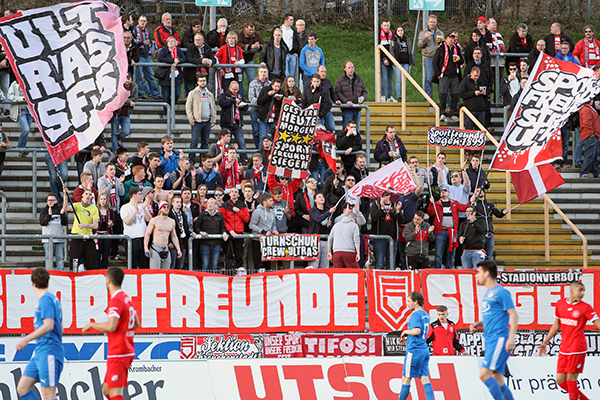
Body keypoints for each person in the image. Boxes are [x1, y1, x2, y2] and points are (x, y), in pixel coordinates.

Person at [82, 267, 140, 400]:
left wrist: (92, 325)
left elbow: (111, 326)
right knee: (106, 389)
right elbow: (136, 323)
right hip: (125, 349)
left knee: (115, 393)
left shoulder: (116, 300)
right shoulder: (126, 298)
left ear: (108, 280)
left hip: (119, 351)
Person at [539, 281, 600, 400]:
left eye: (583, 291)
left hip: (577, 347)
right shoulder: (560, 304)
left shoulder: (585, 307)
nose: (582, 293)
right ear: (572, 290)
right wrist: (545, 342)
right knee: (560, 381)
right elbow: (556, 325)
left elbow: (597, 323)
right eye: (580, 290)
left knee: (571, 380)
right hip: (564, 349)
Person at [470, 261, 518, 400]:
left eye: (478, 272)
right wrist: (478, 323)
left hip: (499, 339)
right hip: (491, 340)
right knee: (498, 380)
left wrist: (511, 338)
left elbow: (513, 314)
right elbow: (493, 316)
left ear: (486, 273)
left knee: (484, 375)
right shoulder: (488, 293)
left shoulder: (500, 292)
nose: (477, 275)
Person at [15, 268, 64, 400]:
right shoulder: (53, 299)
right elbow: (61, 327)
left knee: (49, 395)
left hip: (49, 351)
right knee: (22, 388)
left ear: (32, 283)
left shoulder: (45, 300)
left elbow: (49, 325)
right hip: (41, 352)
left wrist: (26, 339)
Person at [397, 292, 435, 400]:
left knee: (406, 378)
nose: (407, 304)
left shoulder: (415, 315)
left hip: (414, 351)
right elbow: (421, 332)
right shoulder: (425, 314)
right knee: (424, 378)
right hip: (424, 349)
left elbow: (417, 331)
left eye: (409, 301)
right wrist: (408, 338)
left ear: (416, 301)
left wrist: (405, 332)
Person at [427, 186, 468, 269]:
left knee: (451, 253)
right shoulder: (436, 204)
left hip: (452, 231)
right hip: (440, 231)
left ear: (449, 194)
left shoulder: (455, 203)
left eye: (445, 190)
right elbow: (430, 213)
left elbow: (464, 208)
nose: (443, 191)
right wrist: (431, 203)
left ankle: (449, 270)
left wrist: (471, 200)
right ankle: (437, 270)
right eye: (441, 190)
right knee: (438, 253)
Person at [434, 33, 464, 122]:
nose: (451, 40)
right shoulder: (441, 48)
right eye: (449, 38)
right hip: (444, 75)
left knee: (455, 94)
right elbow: (435, 61)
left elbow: (462, 61)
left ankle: (453, 113)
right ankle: (442, 113)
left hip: (454, 75)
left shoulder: (456, 48)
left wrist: (458, 59)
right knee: (443, 94)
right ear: (446, 39)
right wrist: (438, 73)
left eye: (453, 38)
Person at [370, 193, 404, 269]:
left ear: (389, 196)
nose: (384, 197)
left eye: (386, 195)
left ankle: (390, 279)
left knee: (391, 265)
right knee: (379, 264)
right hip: (379, 238)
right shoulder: (375, 205)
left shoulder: (395, 205)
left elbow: (401, 220)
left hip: (392, 238)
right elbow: (373, 218)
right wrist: (381, 209)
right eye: (382, 195)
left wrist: (398, 211)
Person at [156, 36, 186, 124]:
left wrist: (178, 61)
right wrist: (172, 60)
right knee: (165, 95)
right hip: (166, 76)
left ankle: (172, 107)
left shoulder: (179, 50)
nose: (171, 43)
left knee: (177, 94)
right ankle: (167, 113)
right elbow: (160, 59)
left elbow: (184, 58)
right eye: (170, 41)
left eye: (173, 41)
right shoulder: (164, 50)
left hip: (176, 76)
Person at [68, 188, 99, 271]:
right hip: (77, 236)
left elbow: (95, 225)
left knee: (90, 262)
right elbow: (65, 208)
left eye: (90, 194)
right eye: (86, 194)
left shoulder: (94, 209)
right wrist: (65, 195)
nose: (88, 196)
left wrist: (85, 225)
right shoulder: (77, 205)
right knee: (74, 261)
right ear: (82, 195)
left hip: (88, 237)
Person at [473, 188, 508, 260]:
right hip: (480, 234)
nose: (480, 192)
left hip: (490, 233)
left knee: (489, 256)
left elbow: (498, 214)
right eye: (477, 191)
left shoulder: (490, 204)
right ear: (475, 195)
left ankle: (488, 270)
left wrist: (503, 212)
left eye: (481, 190)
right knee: (480, 255)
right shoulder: (474, 205)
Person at [194, 198, 228, 273]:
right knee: (205, 264)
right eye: (208, 203)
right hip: (205, 243)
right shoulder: (202, 215)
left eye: (212, 203)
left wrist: (224, 233)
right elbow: (196, 227)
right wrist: (201, 232)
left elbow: (222, 227)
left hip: (216, 243)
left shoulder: (219, 215)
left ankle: (214, 281)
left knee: (215, 265)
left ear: (215, 205)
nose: (210, 204)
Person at [220, 187, 250, 270]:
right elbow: (223, 220)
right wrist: (230, 230)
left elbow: (247, 219)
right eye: (232, 192)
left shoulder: (242, 205)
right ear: (229, 194)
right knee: (228, 254)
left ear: (238, 194)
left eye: (235, 192)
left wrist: (239, 211)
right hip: (228, 233)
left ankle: (238, 271)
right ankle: (229, 271)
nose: (233, 193)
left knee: (239, 254)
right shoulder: (224, 205)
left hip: (239, 233)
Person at [121, 187, 151, 269]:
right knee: (132, 264)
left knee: (144, 265)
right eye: (140, 194)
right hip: (131, 239)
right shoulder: (125, 207)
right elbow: (127, 221)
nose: (142, 196)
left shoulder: (142, 206)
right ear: (134, 195)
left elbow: (149, 220)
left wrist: (144, 208)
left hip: (143, 239)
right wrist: (135, 211)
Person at [144, 201, 181, 269]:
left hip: (166, 248)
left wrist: (178, 249)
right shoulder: (154, 220)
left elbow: (174, 236)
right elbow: (147, 234)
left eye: (167, 207)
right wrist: (146, 248)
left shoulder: (172, 221)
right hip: (156, 248)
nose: (166, 208)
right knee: (155, 272)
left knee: (166, 272)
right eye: (164, 207)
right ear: (160, 209)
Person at [219, 81, 248, 163]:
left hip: (237, 123)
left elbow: (246, 107)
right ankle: (226, 158)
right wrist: (233, 101)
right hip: (227, 123)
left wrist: (243, 105)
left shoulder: (240, 95)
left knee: (241, 142)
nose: (236, 91)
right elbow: (221, 103)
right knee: (227, 142)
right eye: (234, 89)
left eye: (237, 89)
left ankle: (244, 158)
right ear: (230, 88)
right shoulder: (225, 95)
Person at [133, 15, 160, 101]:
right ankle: (140, 94)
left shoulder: (148, 30)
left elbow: (150, 42)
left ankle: (155, 94)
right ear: (138, 21)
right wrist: (142, 42)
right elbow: (133, 42)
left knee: (150, 76)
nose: (142, 22)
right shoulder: (135, 30)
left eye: (144, 21)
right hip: (139, 55)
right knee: (139, 77)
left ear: (146, 22)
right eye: (141, 21)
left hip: (147, 55)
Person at [249, 192, 278, 271]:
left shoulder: (272, 212)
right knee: (258, 262)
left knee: (267, 263)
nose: (273, 202)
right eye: (270, 201)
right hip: (257, 240)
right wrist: (263, 231)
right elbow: (251, 225)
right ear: (264, 202)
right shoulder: (257, 212)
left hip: (268, 241)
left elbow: (274, 224)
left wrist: (274, 230)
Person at [335, 61, 368, 130]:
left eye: (352, 67)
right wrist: (346, 101)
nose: (351, 69)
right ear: (345, 69)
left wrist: (363, 97)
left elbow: (364, 91)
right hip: (347, 109)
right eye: (349, 68)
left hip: (357, 108)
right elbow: (338, 93)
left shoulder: (359, 79)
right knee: (347, 130)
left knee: (356, 131)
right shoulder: (339, 80)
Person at [417, 15, 444, 99]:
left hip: (439, 59)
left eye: (434, 22)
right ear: (428, 22)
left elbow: (444, 46)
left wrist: (443, 41)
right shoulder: (423, 32)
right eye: (431, 22)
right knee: (428, 79)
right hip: (428, 58)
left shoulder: (440, 33)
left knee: (440, 79)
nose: (432, 24)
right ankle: (428, 99)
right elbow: (420, 45)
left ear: (436, 23)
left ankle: (442, 100)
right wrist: (425, 37)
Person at [40, 191, 68, 270]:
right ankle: (49, 274)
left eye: (52, 200)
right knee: (48, 259)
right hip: (48, 240)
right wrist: (49, 215)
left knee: (60, 259)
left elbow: (65, 223)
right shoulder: (44, 211)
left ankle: (61, 274)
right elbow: (42, 223)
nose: (50, 202)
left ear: (56, 201)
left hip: (59, 239)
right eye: (49, 200)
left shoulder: (60, 210)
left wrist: (62, 214)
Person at [109, 73, 137, 151]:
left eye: (129, 79)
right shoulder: (119, 85)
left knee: (126, 131)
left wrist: (126, 101)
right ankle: (116, 150)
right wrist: (128, 101)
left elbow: (135, 98)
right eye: (125, 78)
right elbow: (118, 98)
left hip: (126, 113)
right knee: (114, 132)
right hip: (117, 113)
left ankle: (118, 138)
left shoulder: (134, 86)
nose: (127, 80)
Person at [237, 22, 264, 98]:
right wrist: (249, 47)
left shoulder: (257, 35)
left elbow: (263, 44)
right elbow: (238, 44)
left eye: (253, 30)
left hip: (249, 60)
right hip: (240, 60)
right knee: (240, 79)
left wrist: (259, 47)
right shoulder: (240, 35)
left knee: (252, 79)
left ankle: (251, 97)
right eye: (250, 30)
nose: (251, 32)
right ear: (246, 28)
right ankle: (241, 96)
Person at [8, 80, 33, 156]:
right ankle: (19, 147)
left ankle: (22, 149)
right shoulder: (15, 84)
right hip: (20, 110)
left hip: (29, 110)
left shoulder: (29, 81)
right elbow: (10, 96)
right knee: (26, 129)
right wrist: (21, 98)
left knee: (27, 131)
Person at [248, 65, 271, 148]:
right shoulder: (253, 83)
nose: (263, 74)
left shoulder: (270, 84)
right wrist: (261, 102)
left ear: (267, 73)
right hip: (255, 109)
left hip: (265, 111)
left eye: (265, 72)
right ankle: (258, 147)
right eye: (261, 72)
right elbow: (251, 98)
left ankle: (262, 148)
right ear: (258, 73)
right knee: (256, 131)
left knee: (264, 132)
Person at [390, 26, 414, 102]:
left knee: (404, 80)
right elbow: (391, 50)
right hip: (398, 62)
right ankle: (399, 96)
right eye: (398, 31)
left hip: (406, 62)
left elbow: (409, 51)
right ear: (396, 32)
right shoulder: (394, 40)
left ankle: (403, 96)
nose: (400, 32)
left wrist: (411, 61)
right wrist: (394, 60)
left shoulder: (407, 40)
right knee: (398, 79)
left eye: (401, 30)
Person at [459, 66, 487, 131]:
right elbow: (461, 94)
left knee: (480, 131)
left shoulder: (481, 82)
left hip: (480, 110)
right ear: (471, 73)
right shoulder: (465, 82)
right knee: (469, 130)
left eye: (478, 76)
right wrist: (473, 93)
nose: (476, 78)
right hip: (470, 110)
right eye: (475, 76)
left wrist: (484, 93)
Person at [168, 194, 191, 269]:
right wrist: (168, 242)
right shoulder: (169, 214)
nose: (179, 204)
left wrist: (191, 233)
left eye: (180, 202)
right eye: (177, 202)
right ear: (172, 203)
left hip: (182, 241)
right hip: (173, 242)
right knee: (172, 263)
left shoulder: (183, 215)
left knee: (180, 264)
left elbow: (186, 228)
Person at [579, 98, 600, 178]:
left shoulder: (587, 109)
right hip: (590, 135)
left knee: (594, 155)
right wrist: (591, 134)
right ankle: (584, 172)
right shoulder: (586, 109)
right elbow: (586, 123)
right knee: (590, 155)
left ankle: (596, 172)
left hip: (592, 135)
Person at [257, 78, 283, 142]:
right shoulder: (265, 90)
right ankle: (262, 151)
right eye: (275, 86)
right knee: (263, 137)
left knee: (273, 138)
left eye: (278, 86)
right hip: (264, 117)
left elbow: (283, 106)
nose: (277, 88)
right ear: (272, 85)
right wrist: (268, 95)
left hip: (274, 118)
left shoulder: (281, 92)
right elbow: (259, 101)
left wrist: (279, 100)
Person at [95, 193, 115, 269]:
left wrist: (111, 224)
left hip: (107, 234)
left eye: (104, 199)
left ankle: (104, 270)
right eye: (101, 199)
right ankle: (97, 271)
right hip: (98, 234)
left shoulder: (110, 211)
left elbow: (113, 223)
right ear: (98, 200)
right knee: (97, 255)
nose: (102, 201)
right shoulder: (95, 210)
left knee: (106, 255)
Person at [378, 19, 394, 102]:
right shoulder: (379, 34)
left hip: (391, 59)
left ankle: (389, 96)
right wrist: (384, 58)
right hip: (383, 59)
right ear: (381, 25)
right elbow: (379, 47)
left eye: (388, 25)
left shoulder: (392, 34)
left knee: (390, 78)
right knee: (384, 78)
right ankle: (382, 96)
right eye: (385, 25)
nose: (386, 27)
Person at [281, 14, 299, 79]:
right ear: (285, 20)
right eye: (290, 20)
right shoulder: (280, 30)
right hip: (283, 54)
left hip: (292, 55)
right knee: (286, 75)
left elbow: (296, 43)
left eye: (293, 20)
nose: (292, 21)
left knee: (292, 76)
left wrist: (296, 52)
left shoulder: (293, 31)